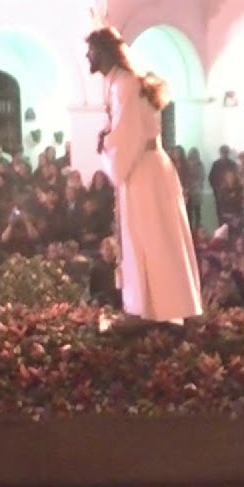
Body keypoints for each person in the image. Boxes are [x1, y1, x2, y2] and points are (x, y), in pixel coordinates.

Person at [86, 25, 202, 329]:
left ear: (105, 53)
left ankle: (148, 310)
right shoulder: (123, 82)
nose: (87, 56)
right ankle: (153, 306)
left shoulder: (124, 85)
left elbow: (126, 135)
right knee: (155, 238)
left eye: (92, 51)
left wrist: (106, 145)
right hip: (147, 167)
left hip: (142, 170)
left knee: (149, 239)